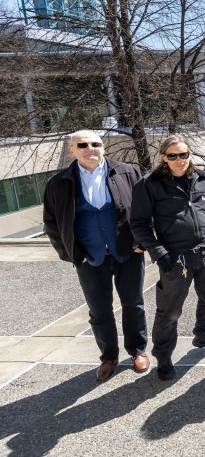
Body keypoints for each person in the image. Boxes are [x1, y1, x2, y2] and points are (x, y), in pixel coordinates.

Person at [42, 130, 148, 382]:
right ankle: (108, 357)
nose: (90, 148)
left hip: (127, 253)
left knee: (133, 304)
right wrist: (70, 254)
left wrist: (142, 242)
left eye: (96, 143)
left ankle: (138, 350)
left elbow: (146, 209)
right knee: (99, 311)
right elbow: (51, 224)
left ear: (104, 147)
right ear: (72, 150)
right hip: (88, 258)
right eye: (83, 144)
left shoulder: (126, 172)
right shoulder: (59, 183)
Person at [131, 135, 205, 381]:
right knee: (169, 312)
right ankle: (163, 356)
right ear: (164, 157)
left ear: (190, 155)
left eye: (183, 154)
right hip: (175, 258)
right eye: (172, 155)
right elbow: (139, 224)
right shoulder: (149, 184)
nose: (179, 160)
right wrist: (159, 253)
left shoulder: (202, 178)